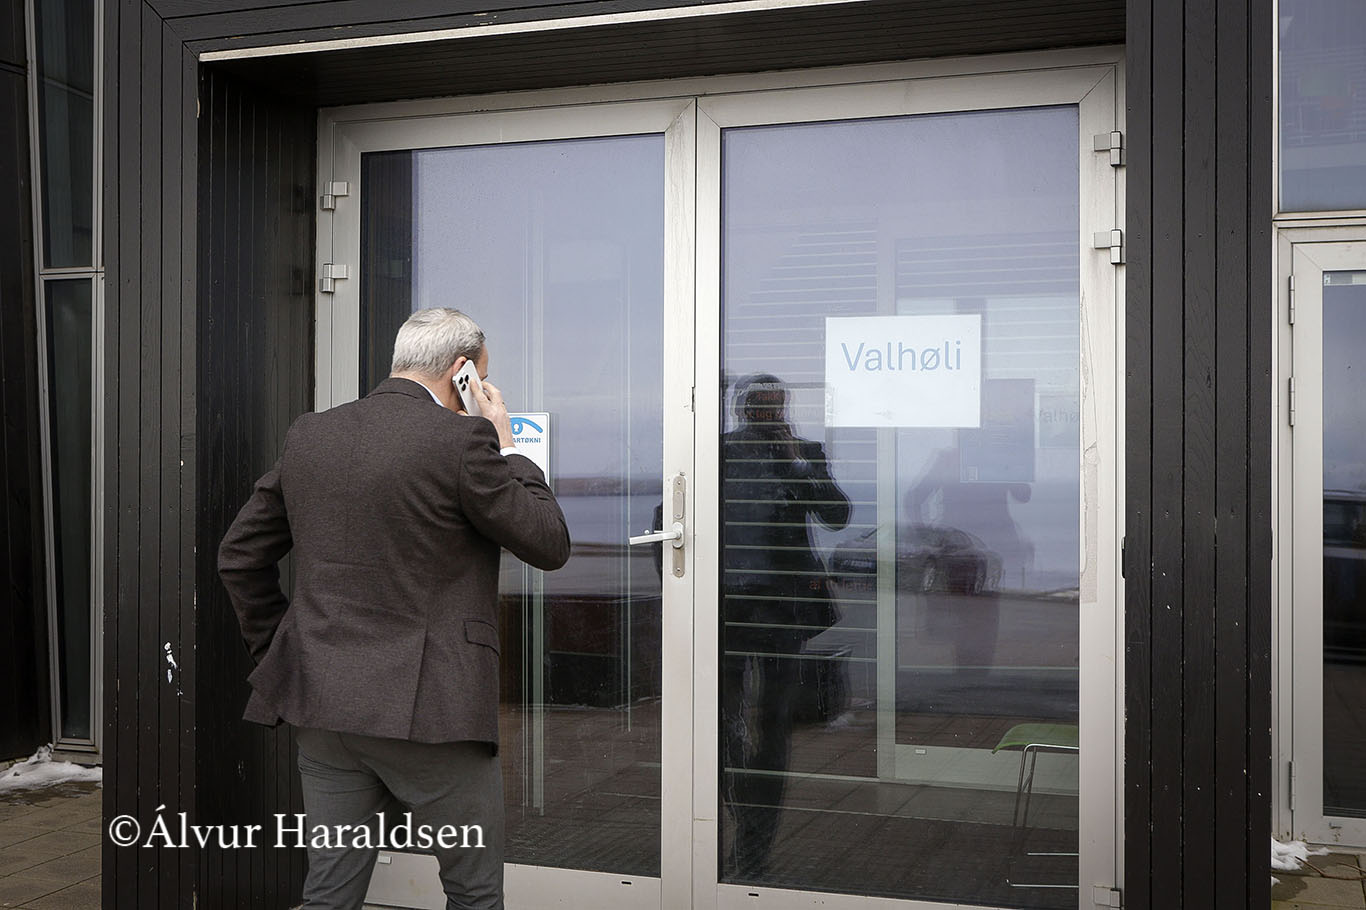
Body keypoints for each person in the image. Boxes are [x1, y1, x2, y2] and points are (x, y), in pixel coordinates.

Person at [217, 307, 571, 910]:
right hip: (436, 714)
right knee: (474, 894)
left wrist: (287, 651)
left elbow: (239, 556)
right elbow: (548, 542)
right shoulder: (465, 441)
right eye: (481, 378)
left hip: (326, 706)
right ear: (462, 372)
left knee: (328, 895)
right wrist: (509, 445)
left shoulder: (311, 434)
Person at [719, 373, 850, 879]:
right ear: (742, 409)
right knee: (724, 722)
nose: (768, 415)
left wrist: (796, 461)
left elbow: (837, 514)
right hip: (726, 605)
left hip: (783, 610)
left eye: (776, 406)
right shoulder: (718, 451)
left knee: (774, 723)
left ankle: (756, 844)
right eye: (759, 406)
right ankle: (742, 812)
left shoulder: (803, 452)